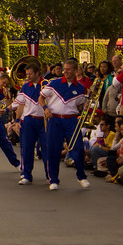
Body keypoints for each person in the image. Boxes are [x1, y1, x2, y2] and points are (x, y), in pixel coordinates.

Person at [40, 60, 89, 190]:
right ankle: (54, 180)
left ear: (75, 70)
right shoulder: (54, 83)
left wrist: (84, 106)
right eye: (65, 69)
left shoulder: (80, 88)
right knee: (53, 150)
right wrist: (45, 108)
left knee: (77, 148)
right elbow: (41, 97)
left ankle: (81, 176)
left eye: (68, 69)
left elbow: (79, 107)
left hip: (72, 120)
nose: (65, 71)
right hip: (55, 120)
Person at [13, 62, 47, 185]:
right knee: (26, 148)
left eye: (30, 74)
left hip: (43, 120)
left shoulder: (47, 84)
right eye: (27, 74)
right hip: (28, 120)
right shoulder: (25, 86)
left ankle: (50, 175)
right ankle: (26, 174)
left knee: (46, 148)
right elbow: (20, 104)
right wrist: (17, 120)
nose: (28, 76)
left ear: (38, 73)